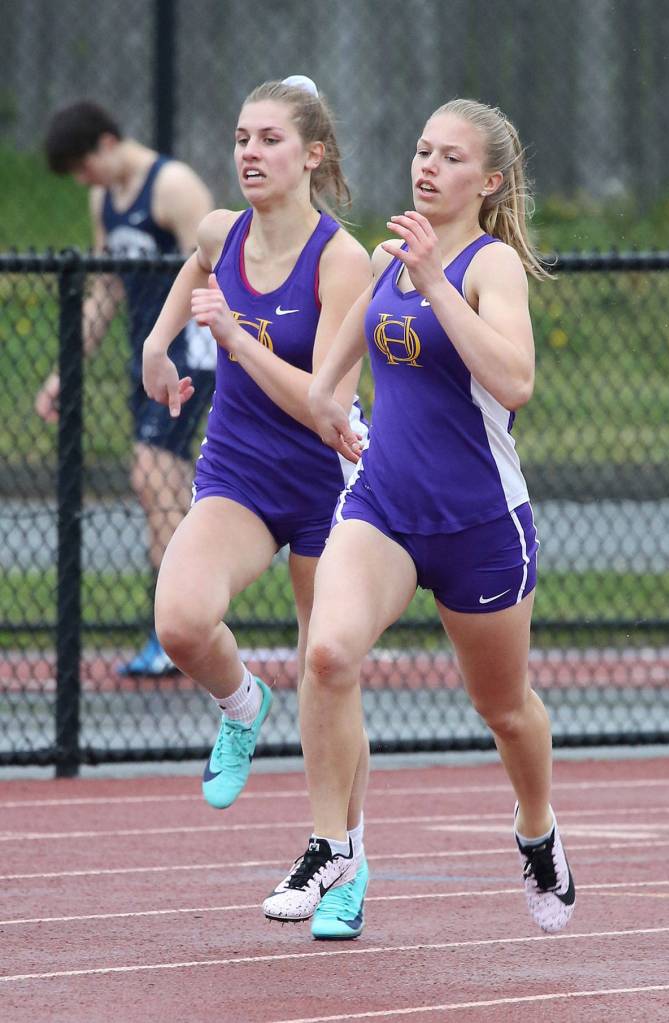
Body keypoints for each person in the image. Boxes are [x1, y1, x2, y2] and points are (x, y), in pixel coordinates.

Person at [263, 99, 576, 936]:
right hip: (384, 508)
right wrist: (328, 404)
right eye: (420, 149)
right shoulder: (383, 258)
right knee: (327, 652)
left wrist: (436, 276)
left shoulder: (487, 267)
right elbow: (332, 375)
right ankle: (332, 841)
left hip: (478, 524)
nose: (426, 166)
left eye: (448, 157)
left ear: (489, 181)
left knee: (503, 709)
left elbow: (514, 383)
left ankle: (536, 829)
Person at [142, 76, 373, 940]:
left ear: (311, 153)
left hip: (328, 484)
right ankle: (241, 705)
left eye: (269, 138)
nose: (248, 152)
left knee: (329, 669)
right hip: (239, 471)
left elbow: (326, 404)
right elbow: (196, 265)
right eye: (241, 136)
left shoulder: (340, 259)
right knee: (181, 619)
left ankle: (346, 858)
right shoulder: (220, 231)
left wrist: (234, 336)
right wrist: (157, 343)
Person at [37, 101, 216, 676]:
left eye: (84, 166)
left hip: (192, 352)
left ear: (108, 142)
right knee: (169, 491)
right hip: (147, 355)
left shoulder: (175, 186)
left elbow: (222, 271)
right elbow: (107, 290)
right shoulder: (103, 201)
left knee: (151, 472)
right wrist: (66, 370)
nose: (82, 180)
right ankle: (194, 621)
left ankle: (175, 632)